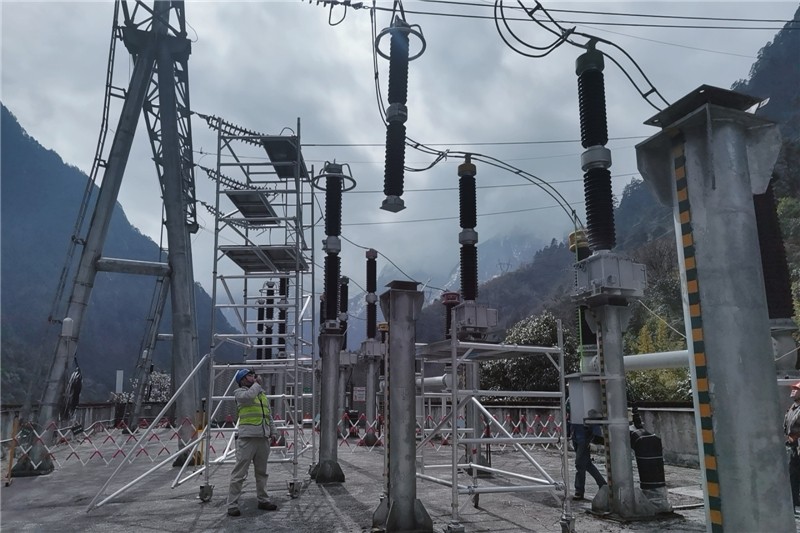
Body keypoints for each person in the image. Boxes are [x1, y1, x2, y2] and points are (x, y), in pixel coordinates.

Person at [227, 368, 278, 517]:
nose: (253, 377)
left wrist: (273, 431)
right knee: (239, 473)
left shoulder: (261, 395)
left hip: (262, 438)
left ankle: (263, 500)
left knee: (262, 472)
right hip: (247, 438)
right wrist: (257, 384)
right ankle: (232, 505)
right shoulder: (239, 393)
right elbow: (249, 396)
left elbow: (268, 415)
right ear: (243, 379)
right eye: (250, 375)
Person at [570, 408, 607, 500]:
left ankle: (579, 490)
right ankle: (602, 484)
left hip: (584, 436)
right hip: (576, 434)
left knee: (579, 463)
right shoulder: (573, 402)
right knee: (587, 464)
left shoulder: (584, 403)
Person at [784, 380, 800, 510]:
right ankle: (794, 502)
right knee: (793, 476)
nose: (793, 390)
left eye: (797, 389)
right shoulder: (792, 408)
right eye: (793, 388)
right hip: (794, 448)